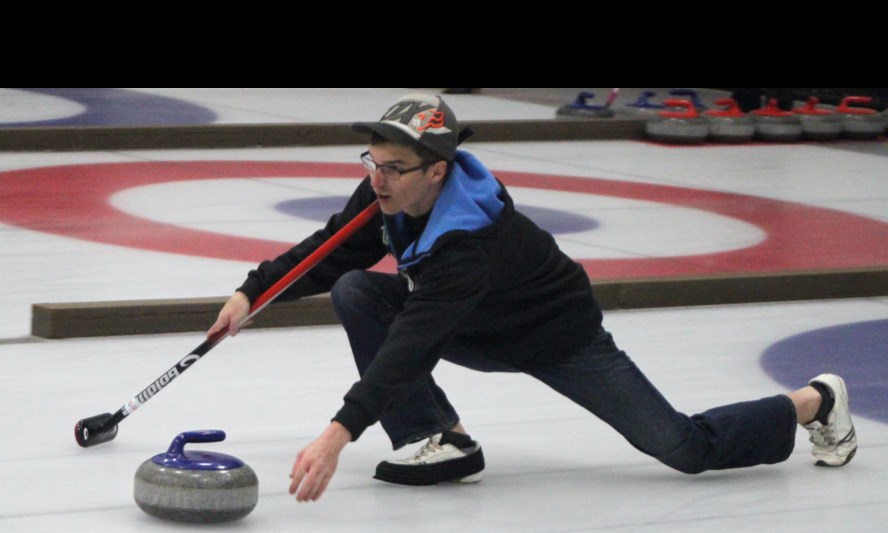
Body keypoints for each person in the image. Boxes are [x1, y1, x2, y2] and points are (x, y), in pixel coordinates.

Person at [209, 93, 858, 502]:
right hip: (472, 325)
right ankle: (440, 437)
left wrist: (338, 434)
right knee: (356, 287)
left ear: (437, 170)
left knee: (682, 448)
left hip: (556, 337)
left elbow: (412, 345)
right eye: (370, 161)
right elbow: (332, 250)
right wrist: (251, 292)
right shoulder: (388, 189)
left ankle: (815, 401)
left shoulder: (471, 242)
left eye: (392, 167)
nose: (376, 177)